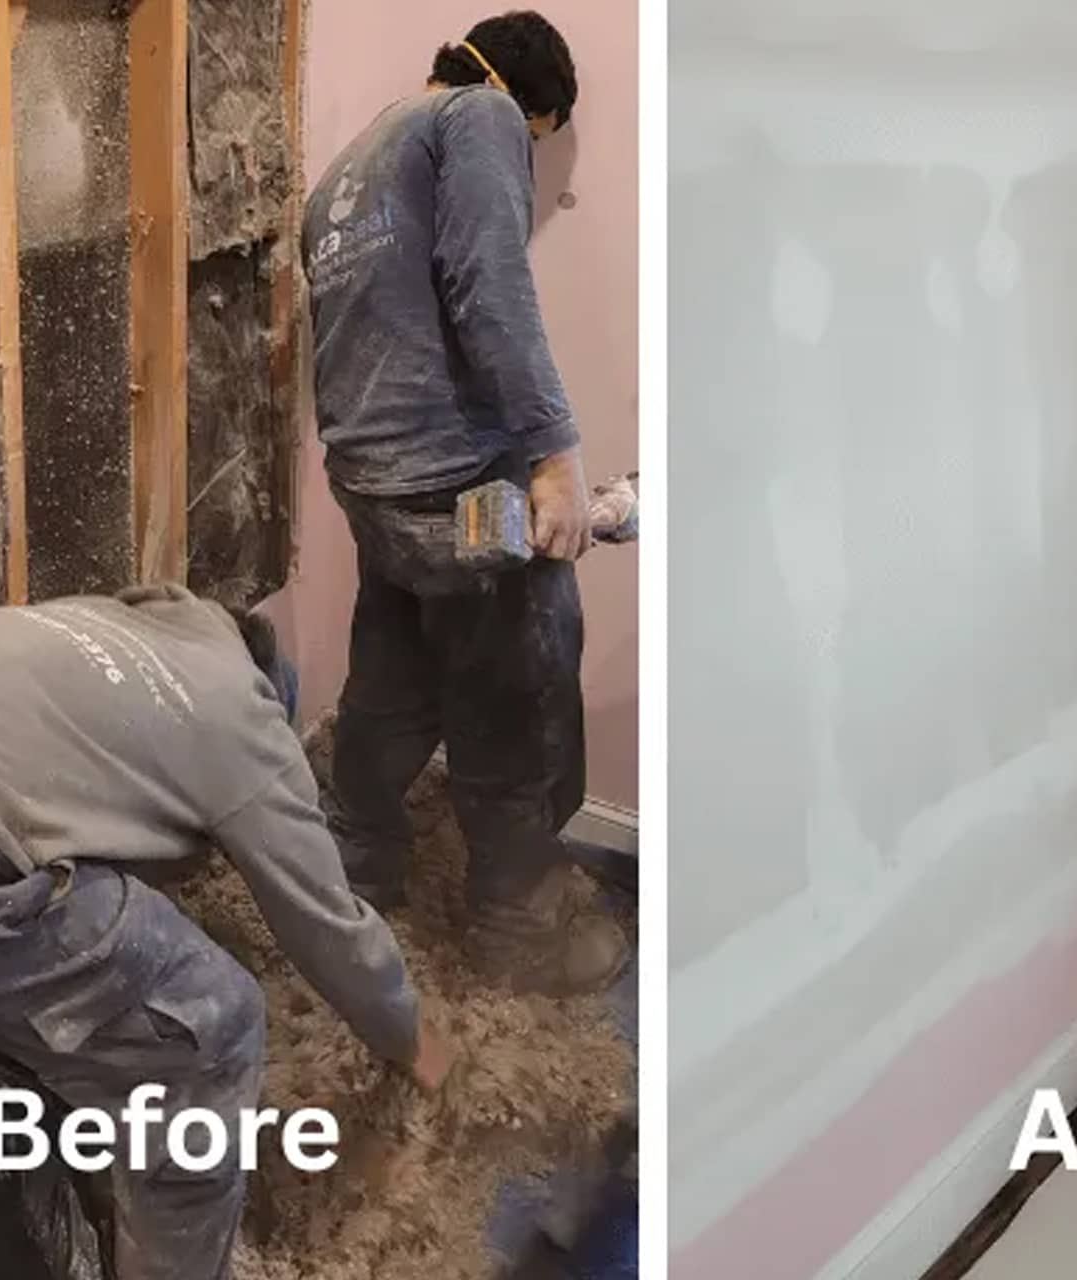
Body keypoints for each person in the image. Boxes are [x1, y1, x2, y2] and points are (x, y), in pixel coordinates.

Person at [0, 584, 451, 1280]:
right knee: (215, 1024)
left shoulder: (117, 629)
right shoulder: (244, 715)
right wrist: (408, 1035)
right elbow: (324, 919)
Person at [302, 10, 626, 994]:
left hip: (378, 487)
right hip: (461, 482)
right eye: (540, 141)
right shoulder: (480, 116)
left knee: (391, 679)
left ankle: (354, 877)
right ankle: (519, 925)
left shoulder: (351, 165)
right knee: (515, 689)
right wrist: (554, 456)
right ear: (527, 103)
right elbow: (489, 280)